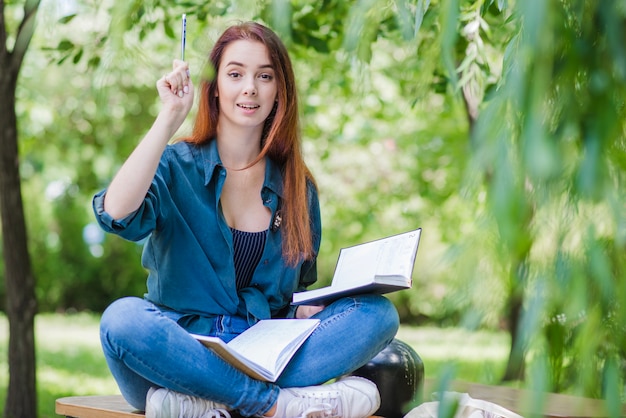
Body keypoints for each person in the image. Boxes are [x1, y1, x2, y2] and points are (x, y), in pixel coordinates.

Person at [93, 21, 399, 418]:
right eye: (235, 74)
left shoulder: (298, 188)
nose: (250, 87)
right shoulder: (175, 166)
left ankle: (200, 404)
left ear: (278, 92)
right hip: (179, 352)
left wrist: (310, 308)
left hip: (263, 353)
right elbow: (116, 214)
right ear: (215, 86)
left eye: (264, 76)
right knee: (121, 320)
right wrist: (168, 118)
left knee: (378, 315)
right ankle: (269, 405)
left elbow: (294, 297)